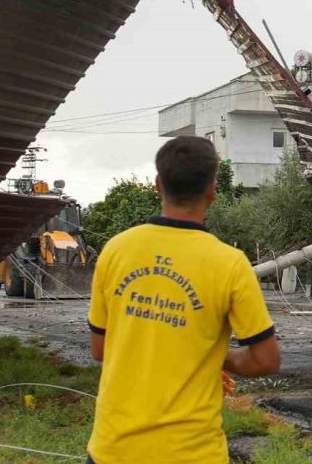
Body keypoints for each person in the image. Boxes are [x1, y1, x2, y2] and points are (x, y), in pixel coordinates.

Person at [86, 136, 280, 464]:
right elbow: (265, 361)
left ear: (158, 184)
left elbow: (100, 349)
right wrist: (218, 356)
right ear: (212, 190)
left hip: (113, 450)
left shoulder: (116, 250)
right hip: (192, 453)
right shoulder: (230, 263)